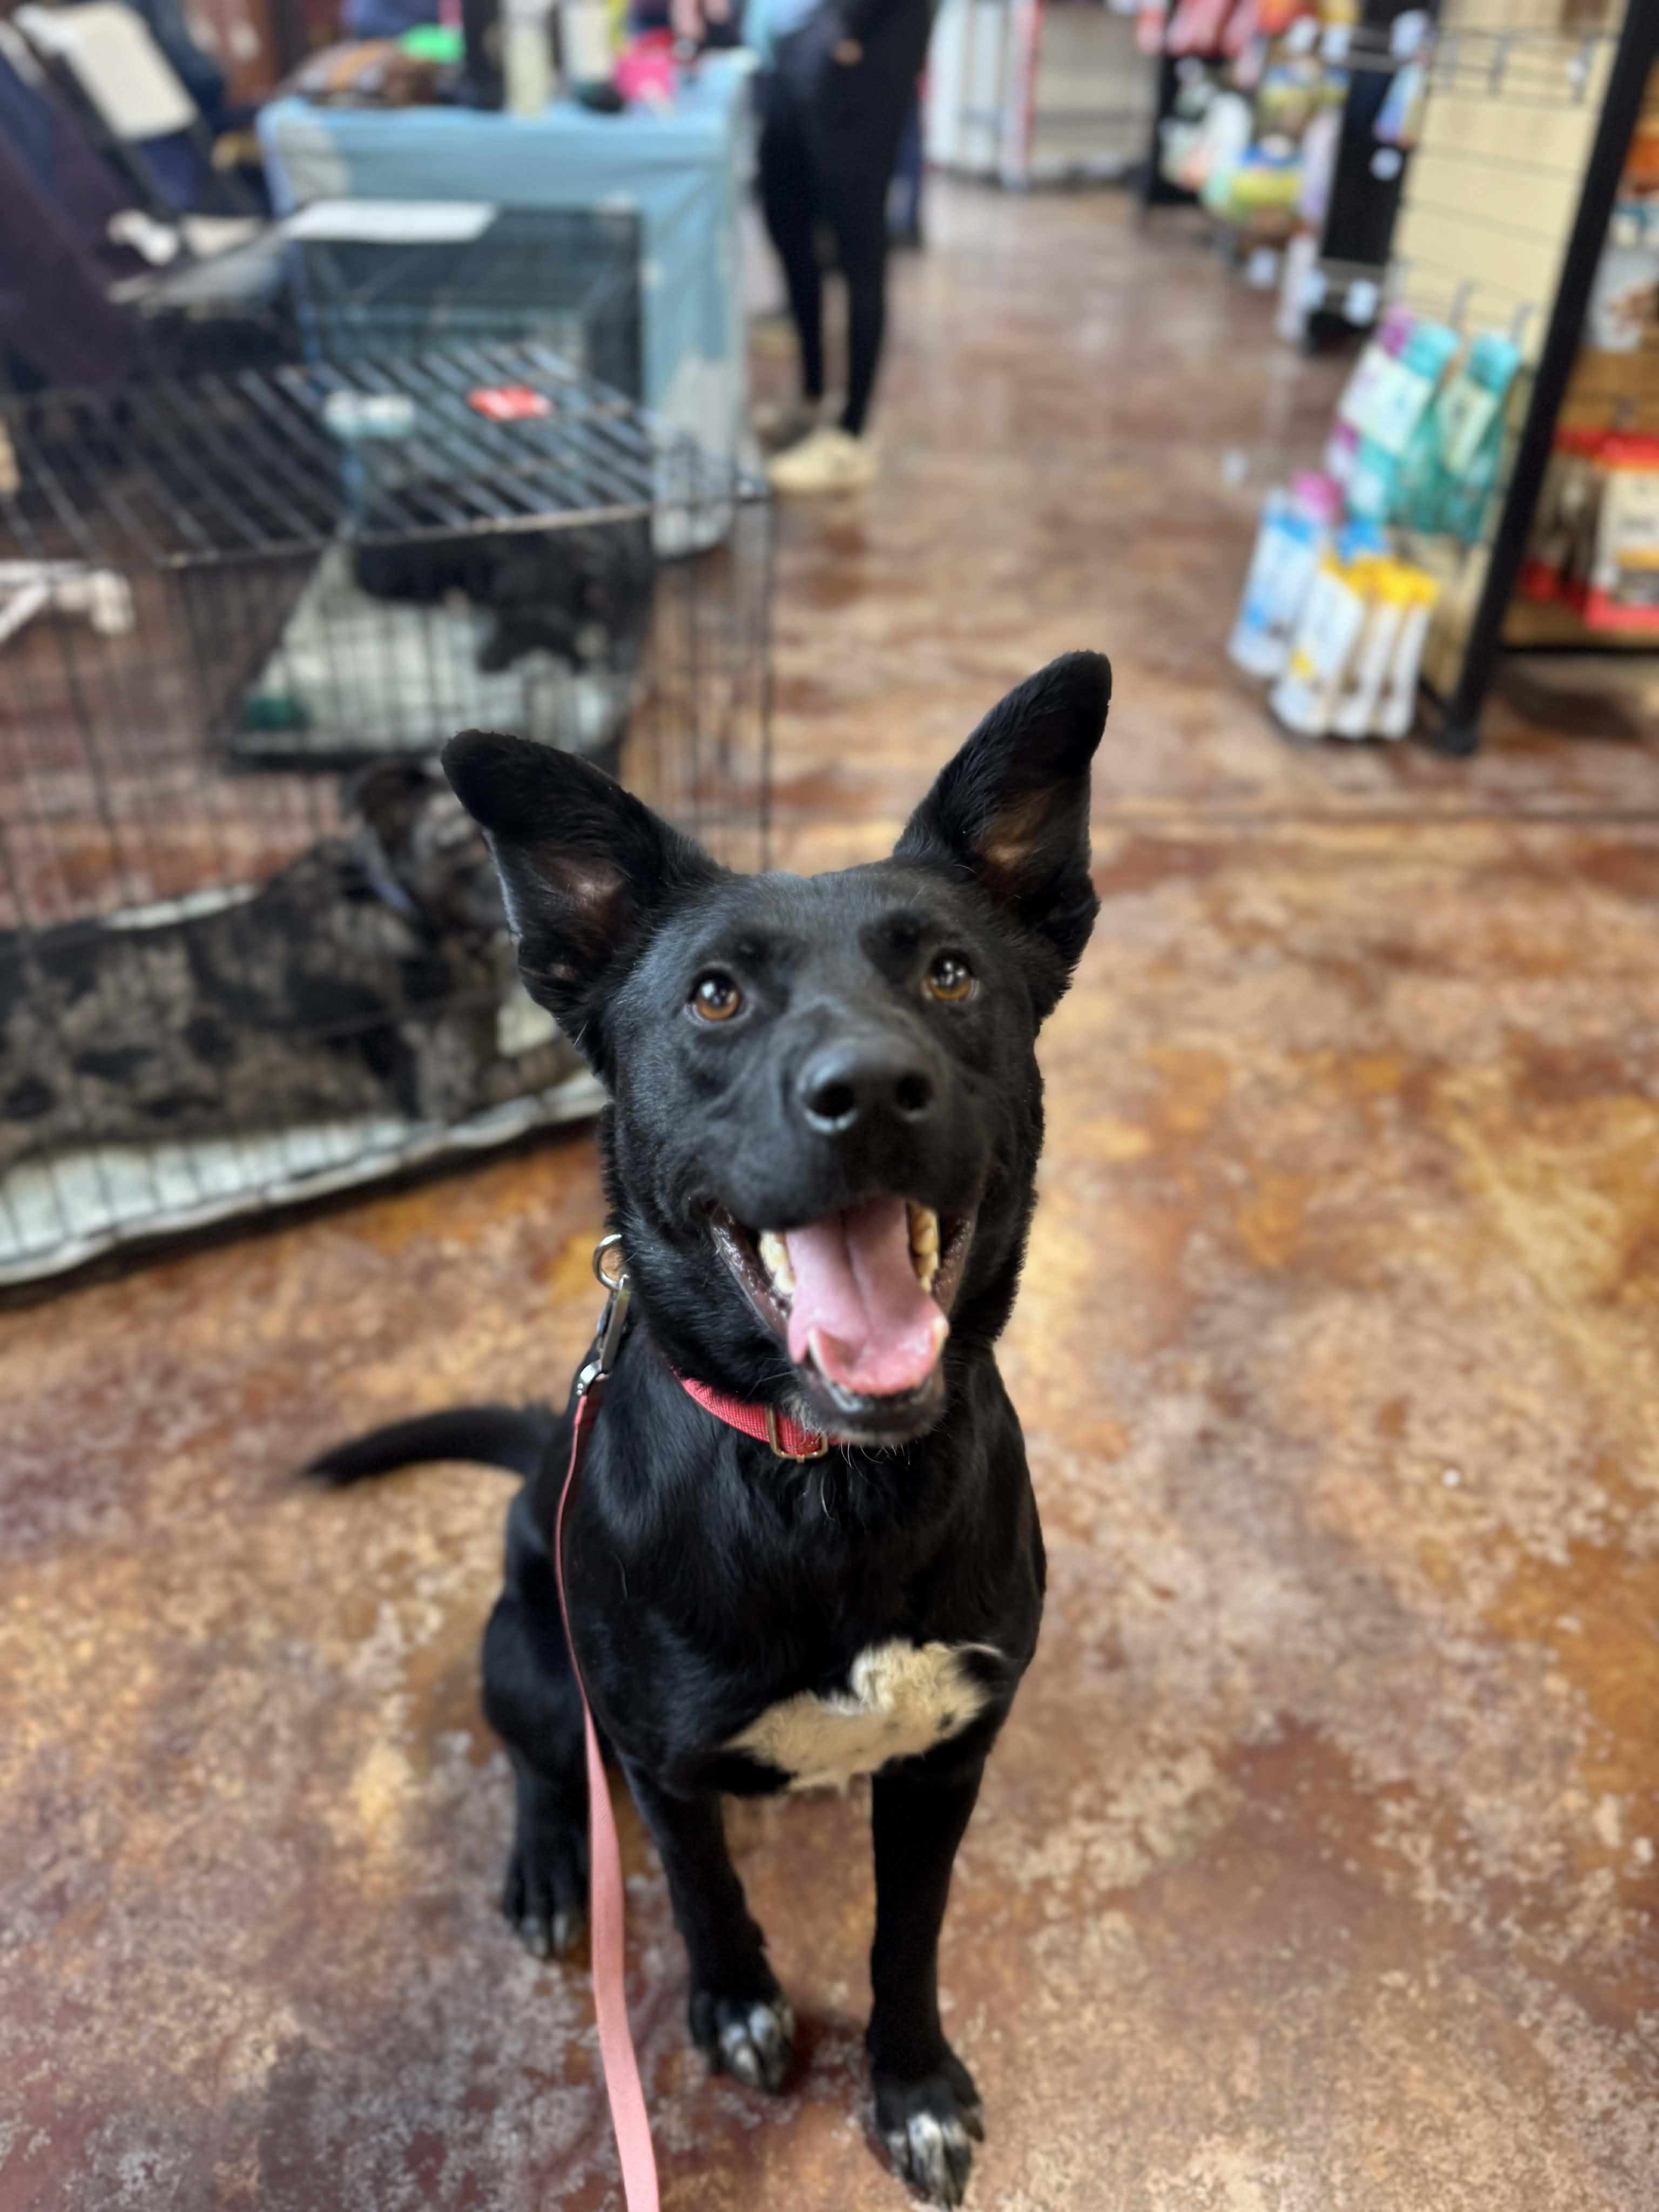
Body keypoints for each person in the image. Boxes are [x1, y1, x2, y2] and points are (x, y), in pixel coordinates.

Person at [679, 0, 933, 493]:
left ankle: (852, 435)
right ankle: (812, 395)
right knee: (786, 221)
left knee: (859, 243)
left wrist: (847, 28)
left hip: (859, 54)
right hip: (792, 51)